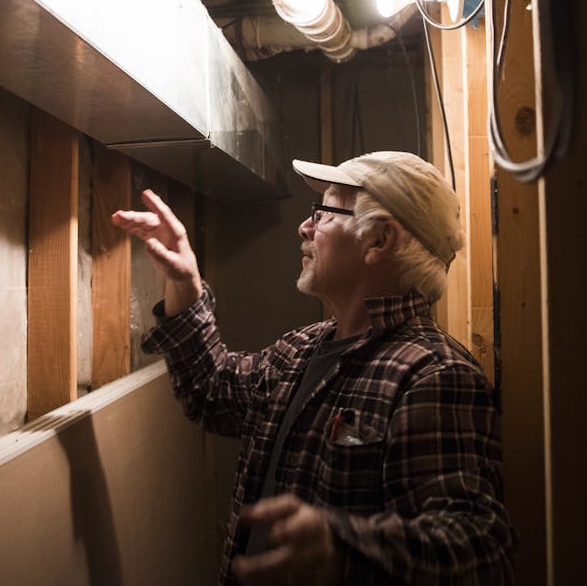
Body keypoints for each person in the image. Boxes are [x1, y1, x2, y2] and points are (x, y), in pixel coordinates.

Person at [111, 151, 515, 585]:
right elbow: (213, 392)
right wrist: (184, 285)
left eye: (323, 212)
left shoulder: (433, 376)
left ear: (379, 240)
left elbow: (479, 548)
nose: (304, 227)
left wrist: (345, 550)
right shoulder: (301, 348)